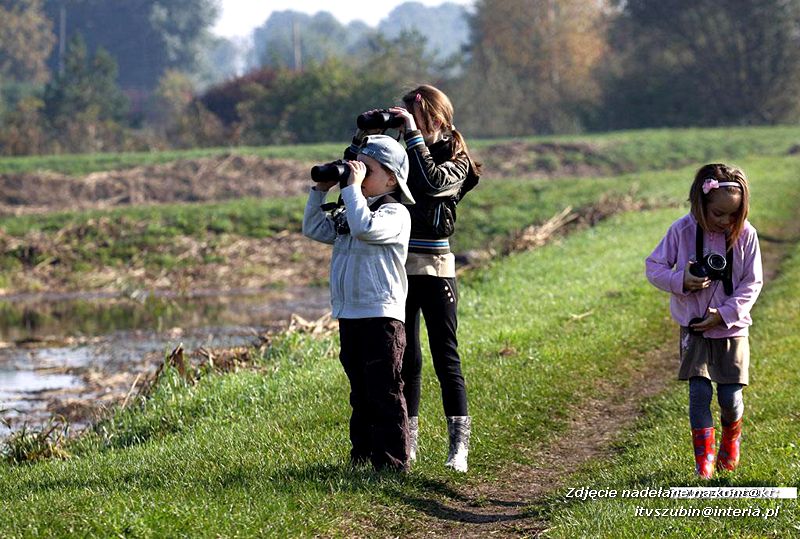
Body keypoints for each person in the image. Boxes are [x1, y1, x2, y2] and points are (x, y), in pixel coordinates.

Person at [354, 84, 481, 472]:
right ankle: (408, 444)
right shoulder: (403, 151)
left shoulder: (458, 162)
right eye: (406, 118)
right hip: (400, 266)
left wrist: (410, 133)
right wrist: (364, 137)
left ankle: (458, 448)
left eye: (417, 118)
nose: (410, 127)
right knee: (406, 359)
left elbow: (430, 184)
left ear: (437, 119)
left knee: (446, 357)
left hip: (437, 267)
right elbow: (368, 178)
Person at [302, 135, 416, 472]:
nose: (358, 174)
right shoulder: (353, 208)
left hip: (381, 314)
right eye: (357, 167)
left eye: (368, 170)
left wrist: (350, 189)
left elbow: (365, 228)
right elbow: (313, 228)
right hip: (350, 312)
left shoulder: (395, 213)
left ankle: (393, 463)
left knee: (385, 390)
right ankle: (362, 455)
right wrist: (320, 190)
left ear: (392, 178)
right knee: (361, 391)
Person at [645, 163, 762, 479]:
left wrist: (723, 314)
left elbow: (753, 282)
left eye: (733, 215)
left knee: (729, 396)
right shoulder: (681, 231)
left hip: (731, 329)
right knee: (699, 393)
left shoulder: (746, 235)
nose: (726, 222)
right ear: (701, 204)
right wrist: (680, 279)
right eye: (718, 214)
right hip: (694, 328)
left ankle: (731, 439)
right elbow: (653, 267)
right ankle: (704, 465)